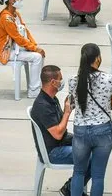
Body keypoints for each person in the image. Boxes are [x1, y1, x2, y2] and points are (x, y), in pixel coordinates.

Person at [68, 44, 112, 196]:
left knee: (78, 172)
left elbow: (72, 103)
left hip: (81, 130)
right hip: (103, 129)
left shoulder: (73, 80)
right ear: (97, 58)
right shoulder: (110, 79)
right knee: (98, 175)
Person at [30, 65, 75, 196]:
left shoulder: (52, 99)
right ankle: (71, 188)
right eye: (60, 79)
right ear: (53, 82)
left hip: (61, 142)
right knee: (88, 155)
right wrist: (67, 113)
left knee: (90, 143)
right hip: (53, 152)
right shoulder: (42, 106)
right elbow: (57, 134)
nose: (62, 82)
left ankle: (75, 187)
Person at [0, 0, 45, 97]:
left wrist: (34, 45)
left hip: (15, 48)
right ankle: (34, 90)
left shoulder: (15, 14)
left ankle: (36, 86)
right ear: (11, 1)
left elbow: (25, 32)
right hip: (6, 51)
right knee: (37, 57)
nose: (20, 0)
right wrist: (34, 49)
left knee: (40, 55)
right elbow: (17, 38)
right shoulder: (6, 18)